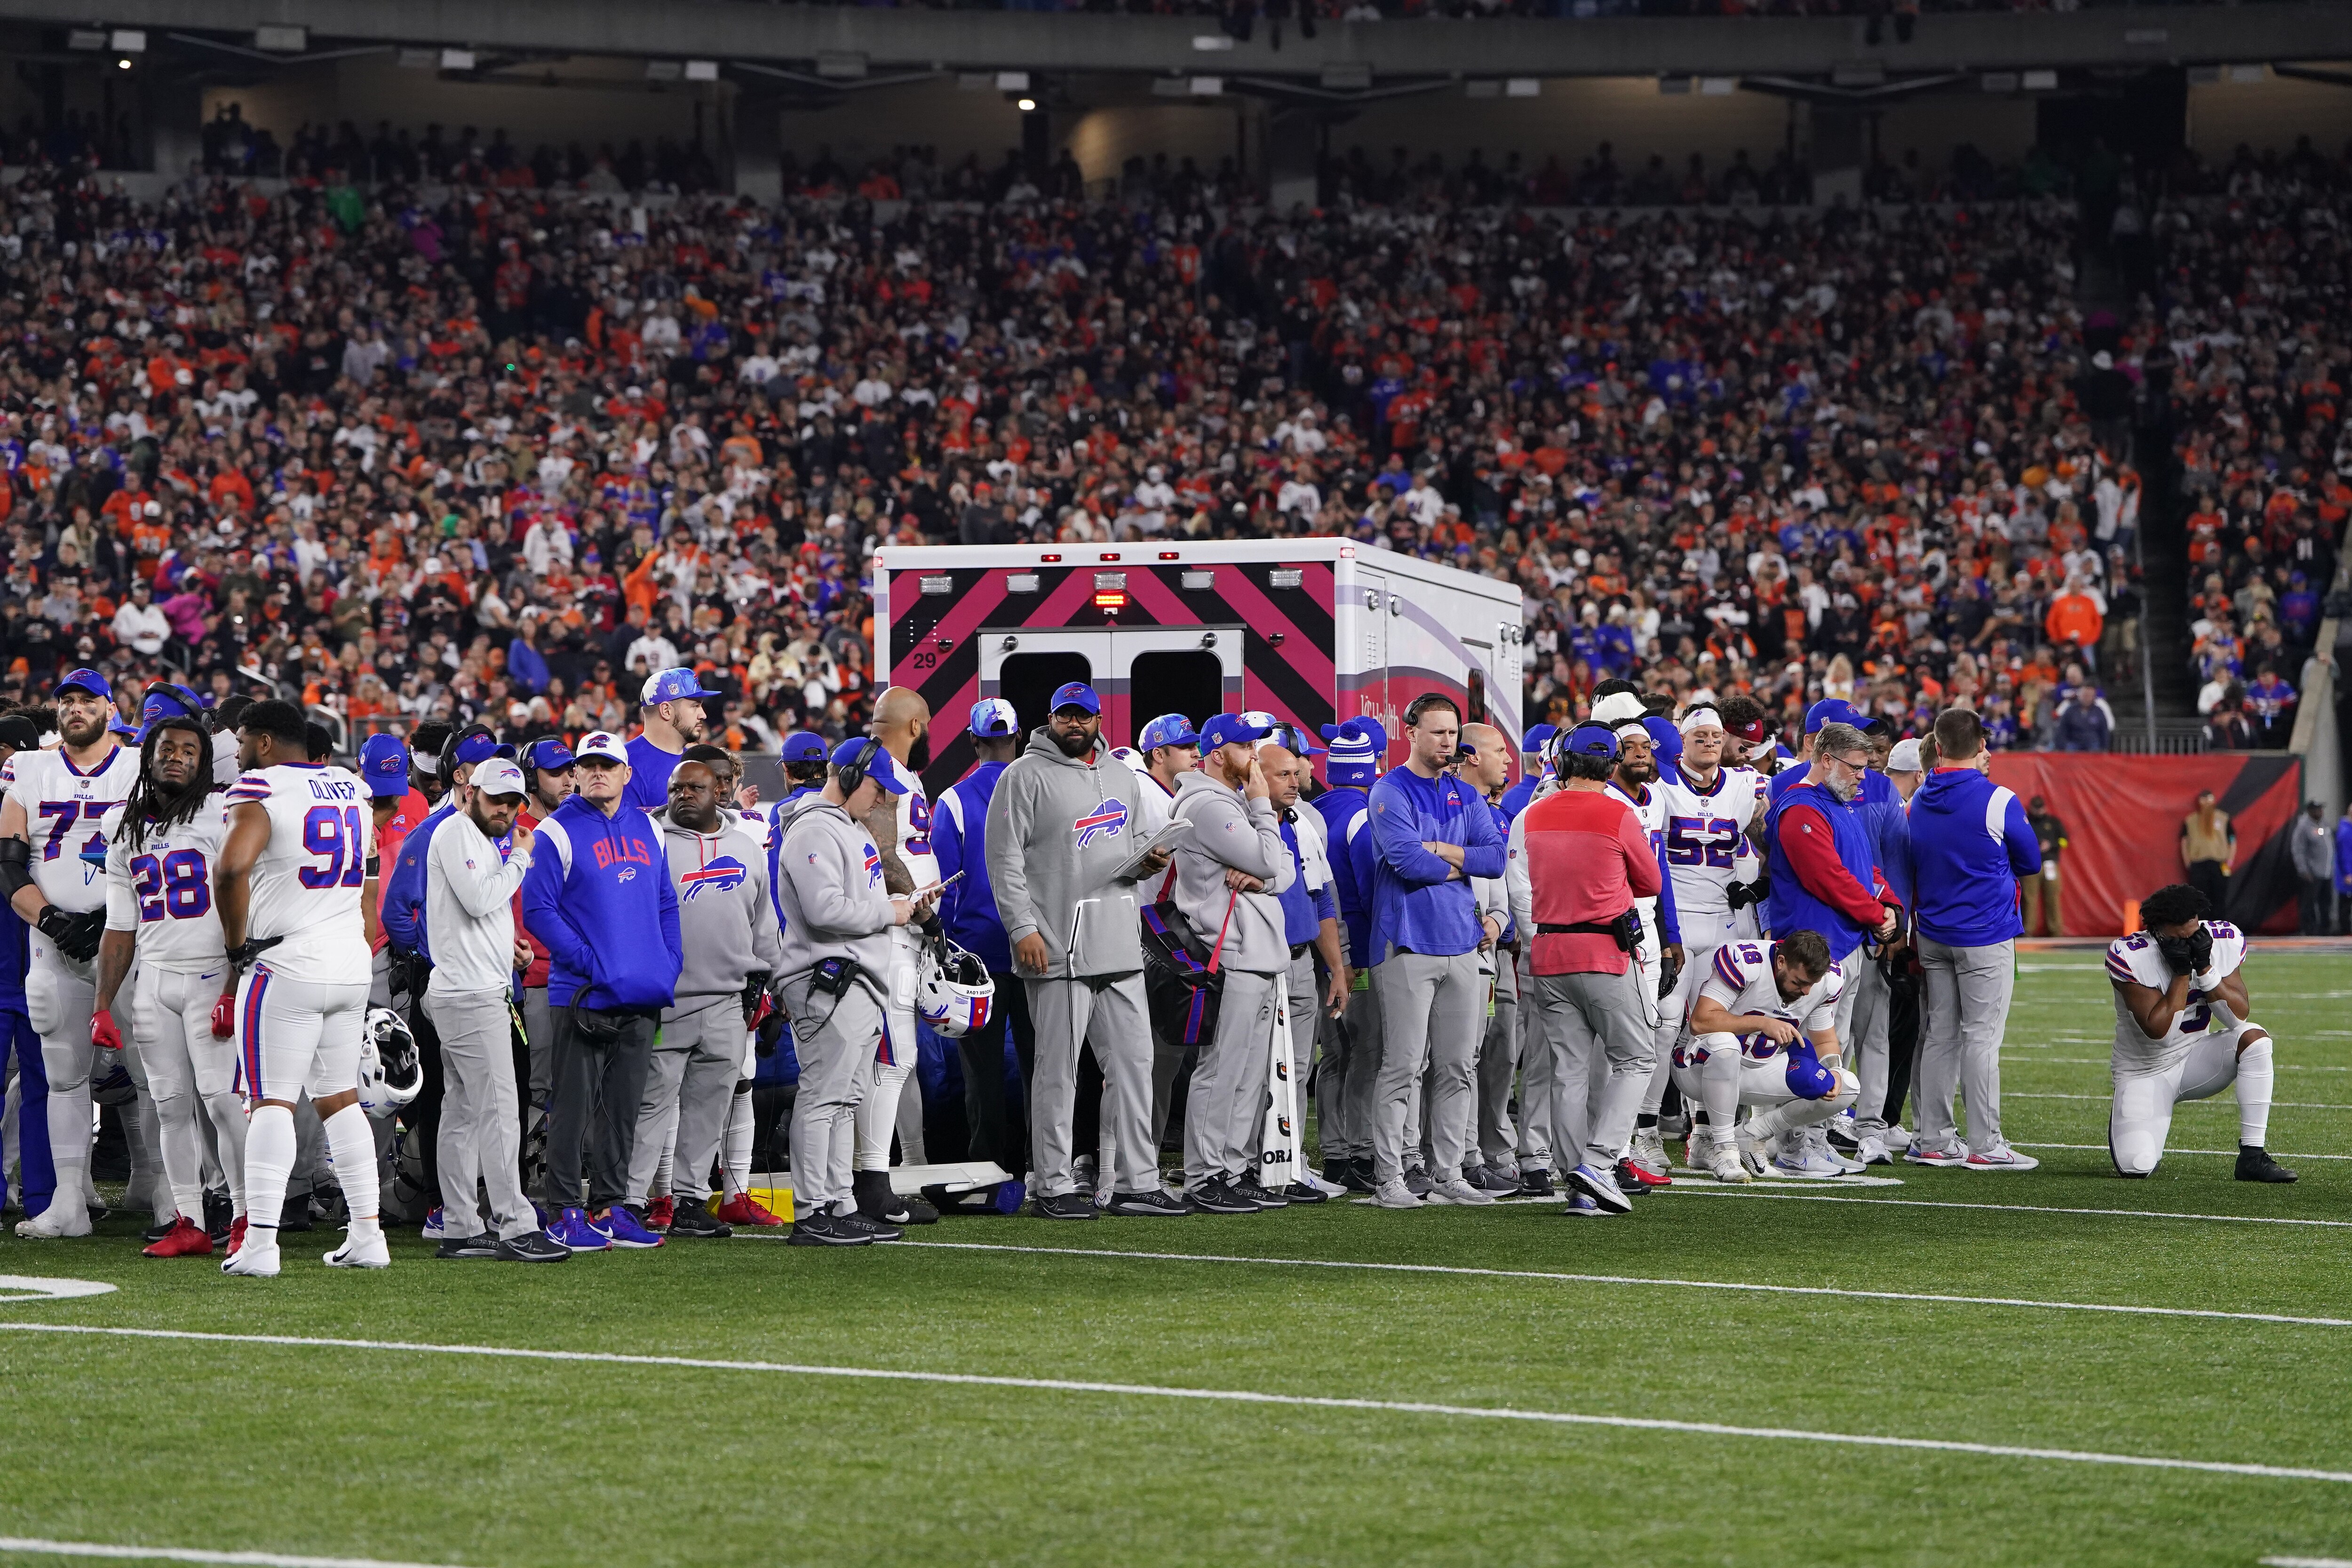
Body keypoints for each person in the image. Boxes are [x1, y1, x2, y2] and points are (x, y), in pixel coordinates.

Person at [990, 682, 1183, 1218]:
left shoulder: (1122, 776)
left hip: (1118, 943)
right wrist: (1021, 929)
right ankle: (1052, 1183)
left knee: (1134, 1065)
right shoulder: (1021, 777)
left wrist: (1151, 861)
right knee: (1057, 1071)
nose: (1075, 725)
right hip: (1055, 948)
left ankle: (1132, 1179)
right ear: (1050, 719)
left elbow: (1134, 845)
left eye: (1084, 716)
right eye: (1065, 716)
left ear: (1100, 719)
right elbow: (1003, 863)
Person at [212, 700, 385, 1276]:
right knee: (340, 1100)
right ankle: (368, 1234)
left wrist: (238, 946)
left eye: (241, 741)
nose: (235, 753)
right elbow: (367, 881)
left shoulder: (262, 789)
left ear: (264, 743)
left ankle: (260, 1243)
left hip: (286, 963)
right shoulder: (350, 788)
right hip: (347, 961)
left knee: (270, 1103)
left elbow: (232, 868)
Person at [771, 737, 939, 1246]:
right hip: (827, 978)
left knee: (845, 1101)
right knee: (824, 1099)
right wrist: (889, 912)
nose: (881, 799)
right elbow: (825, 912)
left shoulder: (848, 828)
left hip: (856, 979)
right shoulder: (813, 830)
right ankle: (811, 1212)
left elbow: (851, 902)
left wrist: (900, 902)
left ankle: (839, 1202)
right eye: (875, 787)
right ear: (846, 777)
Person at [519, 730, 682, 1253]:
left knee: (623, 1106)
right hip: (581, 994)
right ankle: (564, 1209)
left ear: (626, 773)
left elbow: (666, 904)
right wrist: (589, 964)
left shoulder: (649, 829)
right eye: (586, 765)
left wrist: (668, 962)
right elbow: (538, 910)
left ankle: (611, 1207)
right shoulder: (555, 831)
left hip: (638, 991)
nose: (595, 773)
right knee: (571, 1106)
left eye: (606, 765)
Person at [91, 692, 241, 1257]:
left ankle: (250, 1216)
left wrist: (233, 984)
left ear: (203, 763)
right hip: (154, 979)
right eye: (166, 748)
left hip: (210, 975)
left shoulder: (221, 812)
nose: (176, 757)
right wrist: (103, 1003)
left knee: (223, 1102)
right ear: (148, 756)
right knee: (170, 1107)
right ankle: (188, 1219)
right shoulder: (122, 826)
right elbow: (119, 926)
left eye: (188, 750)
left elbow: (242, 903)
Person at [2, 668, 140, 1238]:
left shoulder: (137, 765)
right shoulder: (29, 768)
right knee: (63, 1076)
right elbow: (7, 860)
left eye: (87, 700)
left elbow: (155, 845)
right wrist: (55, 919)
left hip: (128, 942)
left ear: (109, 707)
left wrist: (113, 917)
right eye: (67, 702)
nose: (76, 709)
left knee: (157, 1076)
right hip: (50, 944)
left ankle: (169, 1200)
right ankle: (68, 1203)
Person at [1503, 722, 1661, 1214]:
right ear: (1612, 765)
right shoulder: (1619, 813)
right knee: (1636, 1059)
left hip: (1548, 954)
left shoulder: (1530, 815)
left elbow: (1521, 885)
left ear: (1562, 762)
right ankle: (1596, 1162)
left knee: (1566, 1072)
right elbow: (1650, 880)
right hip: (1603, 953)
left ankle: (1579, 1187)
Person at [422, 757, 566, 1262]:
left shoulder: (476, 839)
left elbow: (472, 914)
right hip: (470, 995)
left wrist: (508, 947)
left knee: (461, 1114)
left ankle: (460, 1225)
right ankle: (515, 1225)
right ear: (470, 792)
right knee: (500, 1112)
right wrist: (523, 859)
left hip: (472, 987)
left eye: (512, 803)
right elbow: (481, 899)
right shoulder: (459, 833)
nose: (504, 810)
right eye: (494, 799)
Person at [629, 758, 781, 1238]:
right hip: (664, 999)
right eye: (676, 788)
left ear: (719, 789)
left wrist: (773, 985)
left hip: (727, 999)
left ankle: (691, 1199)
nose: (683, 795)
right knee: (651, 1105)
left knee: (708, 1106)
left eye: (694, 787)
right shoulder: (649, 841)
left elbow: (764, 925)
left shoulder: (745, 847)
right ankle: (631, 1200)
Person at [1366, 695, 1505, 1210]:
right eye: (1439, 733)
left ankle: (1446, 1173)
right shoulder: (1389, 789)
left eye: (1453, 735)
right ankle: (1389, 1178)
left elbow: (1494, 860)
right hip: (1406, 943)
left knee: (1455, 1067)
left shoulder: (1463, 793)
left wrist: (1444, 853)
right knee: (1402, 1066)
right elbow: (1405, 863)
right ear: (1412, 732)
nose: (1448, 742)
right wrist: (1461, 864)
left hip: (1461, 944)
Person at [1758, 718, 1898, 1179]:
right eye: (1856, 766)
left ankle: (1812, 1139)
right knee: (1809, 1050)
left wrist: (1888, 904)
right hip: (1813, 949)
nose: (1863, 775)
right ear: (1825, 760)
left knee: (1831, 1049)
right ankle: (1794, 1144)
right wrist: (1876, 914)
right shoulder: (1801, 808)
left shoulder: (1837, 807)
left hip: (1840, 942)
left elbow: (1862, 871)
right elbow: (1827, 878)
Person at [1167, 712, 1294, 1212]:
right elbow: (1268, 860)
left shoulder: (1233, 803)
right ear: (1218, 754)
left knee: (1247, 1074)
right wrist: (1262, 807)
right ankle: (1203, 1175)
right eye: (1245, 749)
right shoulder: (1206, 804)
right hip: (1230, 951)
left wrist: (1262, 875)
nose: (1254, 758)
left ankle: (1234, 1168)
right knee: (1221, 1069)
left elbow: (1279, 871)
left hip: (1255, 950)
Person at [1907, 707, 2041, 1172]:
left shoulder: (1919, 797)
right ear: (1981, 746)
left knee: (1939, 1035)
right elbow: (2030, 861)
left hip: (1931, 931)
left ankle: (1932, 1139)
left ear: (1937, 748)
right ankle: (1985, 1142)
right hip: (1983, 932)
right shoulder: (1997, 799)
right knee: (1980, 1038)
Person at [1645, 704, 1768, 1173]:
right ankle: (1644, 1131)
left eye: (1715, 735)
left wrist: (1760, 885)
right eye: (1699, 735)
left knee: (1718, 1031)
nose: (1710, 742)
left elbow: (1770, 842)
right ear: (1682, 740)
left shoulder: (1746, 786)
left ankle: (1707, 1136)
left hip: (1722, 923)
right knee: (1662, 1029)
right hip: (1675, 922)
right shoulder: (1659, 787)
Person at [2105, 883, 2295, 1184]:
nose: (2190, 942)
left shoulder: (2220, 940)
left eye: (2194, 934)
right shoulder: (2131, 955)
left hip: (2197, 1058)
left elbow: (2237, 1017)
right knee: (2137, 1166)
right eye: (2180, 939)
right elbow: (2161, 1033)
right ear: (2157, 932)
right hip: (2144, 1071)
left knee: (2254, 1038)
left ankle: (2252, 1156)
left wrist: (2205, 968)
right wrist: (2181, 974)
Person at [930, 698, 1030, 1181]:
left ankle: (987, 1167)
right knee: (1043, 1069)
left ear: (972, 741)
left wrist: (944, 951)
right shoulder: (1040, 792)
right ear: (1018, 737)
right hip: (1038, 951)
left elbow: (945, 886)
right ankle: (1044, 1165)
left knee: (981, 1074)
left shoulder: (952, 800)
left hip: (977, 960)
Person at [853, 685, 940, 1226]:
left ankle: (890, 1173)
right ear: (915, 726)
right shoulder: (879, 770)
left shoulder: (899, 771)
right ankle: (870, 1182)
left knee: (897, 1060)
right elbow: (881, 849)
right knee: (890, 1059)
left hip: (904, 931)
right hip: (889, 933)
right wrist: (923, 911)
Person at [1674, 931, 1859, 1183]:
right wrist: (1762, 1023)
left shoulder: (1826, 981)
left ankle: (1751, 1136)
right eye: (1798, 982)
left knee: (1847, 1087)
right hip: (1697, 1068)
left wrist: (1834, 1071)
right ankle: (1725, 1150)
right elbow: (1701, 1021)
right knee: (1725, 1044)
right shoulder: (1747, 961)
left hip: (1759, 1069)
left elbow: (1826, 1041)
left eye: (1810, 985)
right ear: (1781, 961)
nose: (1805, 992)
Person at [1265, 735, 1343, 1203]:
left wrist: (1335, 967)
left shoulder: (1301, 823)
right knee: (1254, 1073)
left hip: (1298, 962)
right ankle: (1243, 1166)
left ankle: (1288, 1163)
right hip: (1258, 965)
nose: (1296, 782)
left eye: (1297, 773)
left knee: (1295, 1070)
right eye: (1284, 774)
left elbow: (1321, 897)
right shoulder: (1241, 824)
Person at [1310, 717, 1385, 1193]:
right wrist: (1358, 957)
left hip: (1314, 951)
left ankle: (1334, 1155)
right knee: (1367, 1054)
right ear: (1375, 764)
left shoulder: (1311, 810)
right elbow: (1365, 894)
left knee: (1331, 1056)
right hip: (1352, 953)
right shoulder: (1364, 816)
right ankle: (1360, 1153)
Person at [1455, 722, 1522, 1196]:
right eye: (1498, 750)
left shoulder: (1496, 814)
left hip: (1496, 952)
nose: (1507, 760)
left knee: (1497, 1052)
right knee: (1450, 1059)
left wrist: (1497, 923)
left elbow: (1500, 887)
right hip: (1451, 950)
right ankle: (1454, 1155)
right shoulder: (1449, 807)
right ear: (1471, 756)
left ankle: (1487, 1146)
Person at [0, 715, 49, 1229]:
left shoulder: (41, 812)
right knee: (40, 1089)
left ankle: (44, 1197)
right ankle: (39, 1196)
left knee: (46, 1089)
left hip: (37, 974)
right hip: (15, 974)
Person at [512, 737, 574, 1125]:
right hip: (533, 978)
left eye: (571, 770)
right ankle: (532, 1177)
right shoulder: (513, 830)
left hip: (576, 976)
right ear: (532, 780)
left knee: (574, 1085)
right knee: (538, 1088)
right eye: (555, 773)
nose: (567, 780)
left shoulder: (581, 825)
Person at [623, 666, 715, 815]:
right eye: (695, 706)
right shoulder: (623, 763)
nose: (703, 715)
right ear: (666, 711)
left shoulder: (698, 763)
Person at [1125, 713, 1199, 835]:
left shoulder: (1195, 788)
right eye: (1186, 747)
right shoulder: (1137, 792)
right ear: (1159, 755)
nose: (1197, 754)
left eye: (1195, 746)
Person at [2179, 790, 2234, 913]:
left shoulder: (2223, 818)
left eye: (2209, 800)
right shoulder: (2191, 821)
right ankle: (2202, 928)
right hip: (2199, 864)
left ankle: (2219, 928)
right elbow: (2184, 842)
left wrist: (2229, 861)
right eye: (2203, 800)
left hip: (2219, 864)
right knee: (2199, 899)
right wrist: (2188, 862)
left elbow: (2232, 840)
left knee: (2219, 898)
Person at [2023, 794, 2067, 938]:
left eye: (2040, 808)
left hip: (2050, 864)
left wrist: (2051, 845)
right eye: (2036, 808)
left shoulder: (2053, 822)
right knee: (2029, 898)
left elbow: (2065, 841)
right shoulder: (2025, 821)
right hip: (2031, 866)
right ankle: (2028, 931)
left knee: (2053, 897)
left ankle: (2056, 932)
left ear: (2045, 807)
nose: (2039, 811)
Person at [2290, 801, 2334, 937]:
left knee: (2326, 903)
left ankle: (2325, 930)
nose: (2320, 812)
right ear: (2310, 810)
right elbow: (2298, 850)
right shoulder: (2303, 827)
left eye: (2321, 809)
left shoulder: (2325, 824)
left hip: (2327, 872)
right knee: (2309, 904)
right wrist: (2304, 870)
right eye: (2317, 809)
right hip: (2312, 873)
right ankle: (2309, 931)